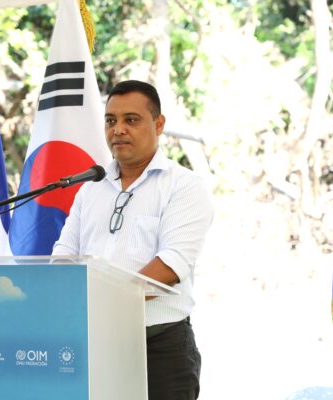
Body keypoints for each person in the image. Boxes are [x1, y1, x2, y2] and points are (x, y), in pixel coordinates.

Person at [52, 80, 214, 400]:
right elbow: (63, 257)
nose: (118, 130)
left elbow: (170, 266)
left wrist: (99, 302)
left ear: (159, 124)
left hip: (160, 349)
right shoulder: (90, 188)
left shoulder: (184, 186)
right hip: (93, 345)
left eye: (131, 120)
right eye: (111, 121)